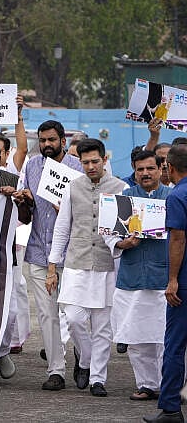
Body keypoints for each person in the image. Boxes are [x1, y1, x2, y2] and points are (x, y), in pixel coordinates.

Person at [46, 139, 126, 397]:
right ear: (80, 162)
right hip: (76, 262)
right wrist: (52, 267)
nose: (90, 166)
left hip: (107, 264)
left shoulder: (121, 188)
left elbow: (125, 228)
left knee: (102, 327)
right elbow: (61, 228)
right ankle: (85, 359)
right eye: (86, 162)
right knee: (74, 318)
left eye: (95, 161)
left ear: (104, 160)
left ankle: (97, 379)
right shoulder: (72, 187)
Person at [14, 119, 83, 390]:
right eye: (42, 140)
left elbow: (88, 214)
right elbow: (26, 217)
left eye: (51, 140)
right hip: (38, 252)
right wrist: (24, 202)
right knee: (46, 314)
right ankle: (56, 370)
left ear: (63, 141)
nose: (46, 145)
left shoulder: (78, 168)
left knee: (76, 315)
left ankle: (84, 359)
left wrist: (65, 211)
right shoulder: (32, 166)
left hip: (72, 254)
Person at [113, 149, 172, 402]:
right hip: (132, 277)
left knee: (165, 338)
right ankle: (146, 384)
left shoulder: (172, 197)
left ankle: (170, 385)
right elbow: (109, 235)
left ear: (161, 169)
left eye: (150, 168)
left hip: (164, 278)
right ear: (134, 172)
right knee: (135, 336)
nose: (145, 173)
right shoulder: (124, 198)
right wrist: (122, 243)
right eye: (140, 169)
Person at [148, 143, 187, 423]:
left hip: (184, 283)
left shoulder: (177, 196)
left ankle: (171, 408)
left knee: (174, 346)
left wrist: (172, 279)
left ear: (169, 167)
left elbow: (177, 239)